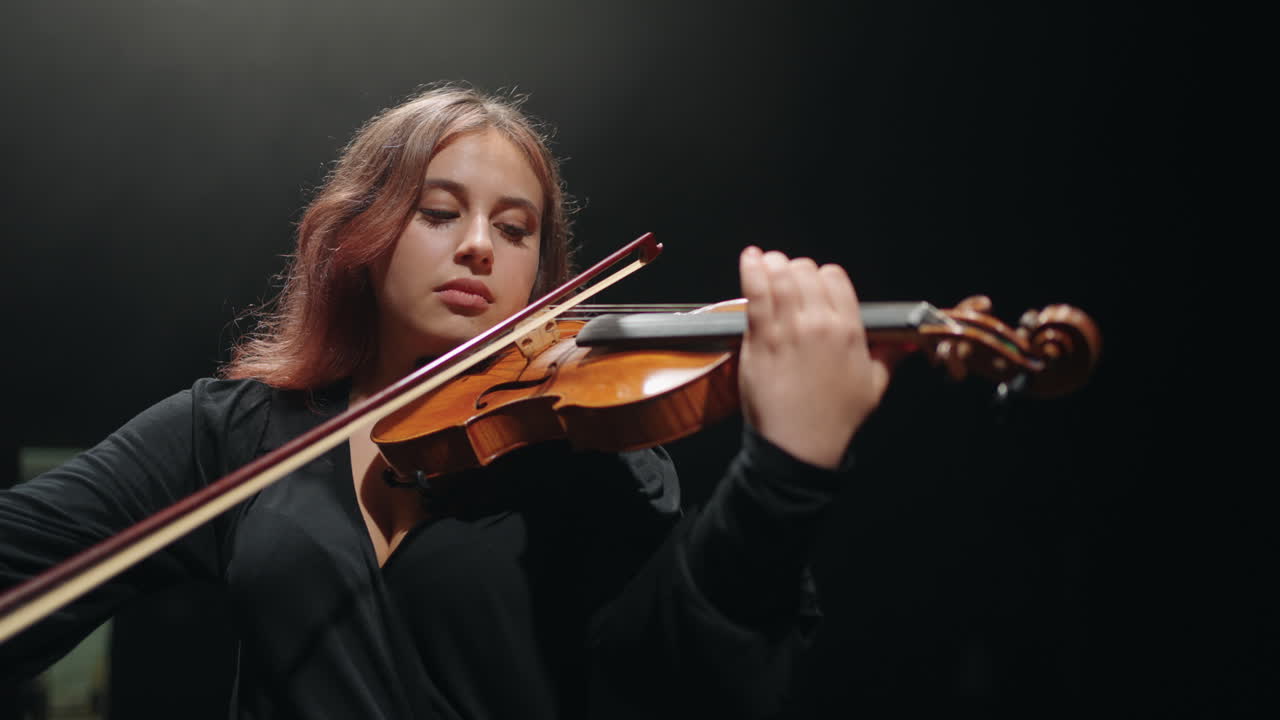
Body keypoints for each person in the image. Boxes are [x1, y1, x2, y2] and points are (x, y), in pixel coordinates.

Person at [0, 84, 895, 719]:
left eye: (514, 230)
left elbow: (699, 675)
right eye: (438, 213)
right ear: (364, 235)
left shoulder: (586, 454)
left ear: (541, 275)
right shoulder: (240, 431)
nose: (479, 247)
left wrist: (783, 476)